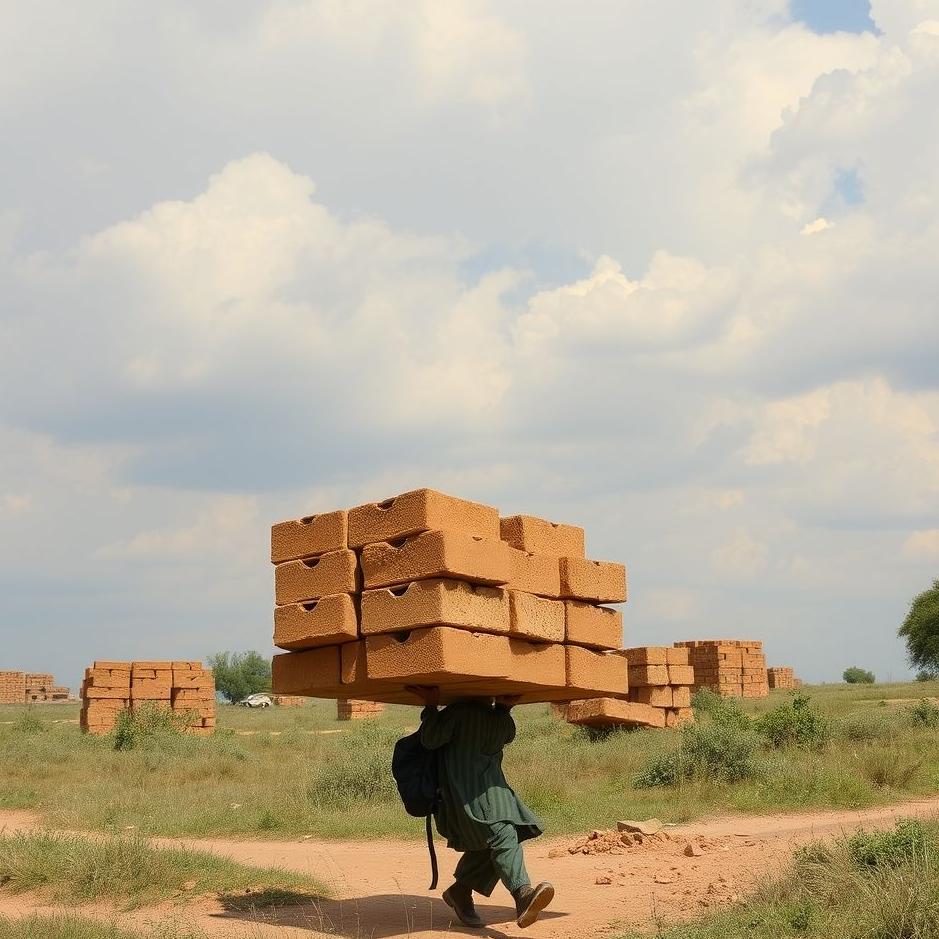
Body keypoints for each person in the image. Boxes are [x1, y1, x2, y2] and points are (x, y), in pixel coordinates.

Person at [407, 685, 555, 930]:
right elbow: (507, 734)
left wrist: (431, 705)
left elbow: (430, 738)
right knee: (503, 836)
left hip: (470, 800)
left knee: (494, 842)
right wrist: (505, 707)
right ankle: (522, 894)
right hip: (479, 800)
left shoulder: (459, 714)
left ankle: (460, 891)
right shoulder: (496, 719)